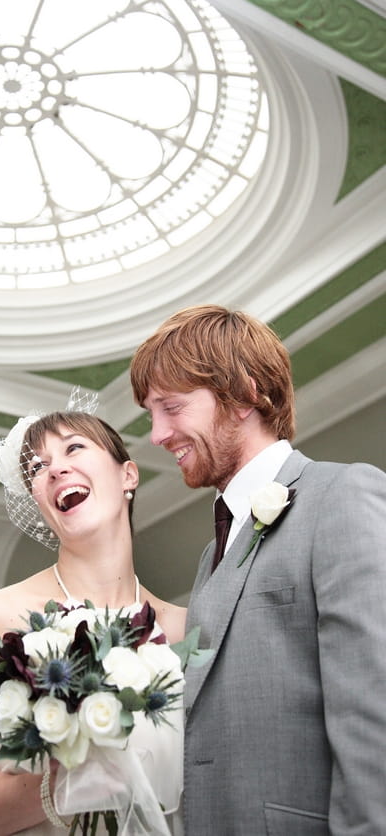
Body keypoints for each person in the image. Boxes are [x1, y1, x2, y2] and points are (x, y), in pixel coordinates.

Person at [130, 304, 386, 836]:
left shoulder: (342, 495)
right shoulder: (211, 553)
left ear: (246, 393)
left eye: (171, 407)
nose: (156, 434)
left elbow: (373, 712)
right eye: (150, 414)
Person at [0, 393, 187, 836]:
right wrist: (63, 788)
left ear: (128, 474)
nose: (54, 469)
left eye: (74, 448)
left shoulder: (185, 627)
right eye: (36, 467)